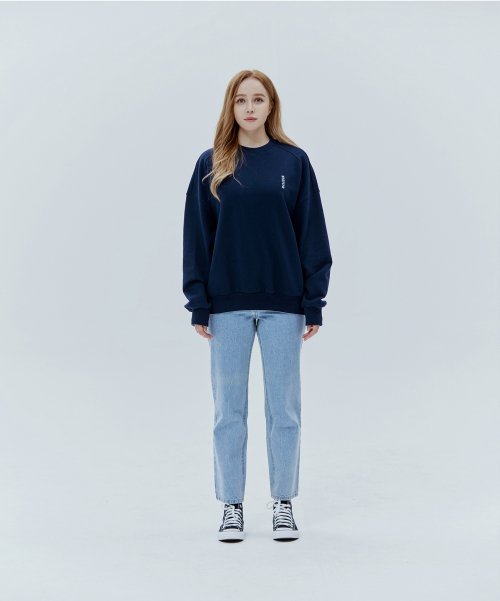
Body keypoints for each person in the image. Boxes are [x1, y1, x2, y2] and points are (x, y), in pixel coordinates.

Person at [182, 69, 333, 543]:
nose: (250, 108)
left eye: (258, 99)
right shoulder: (212, 163)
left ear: (271, 106)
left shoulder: (294, 161)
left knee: (284, 410)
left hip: (283, 304)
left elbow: (312, 232)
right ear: (231, 107)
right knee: (229, 411)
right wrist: (198, 302)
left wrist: (313, 301)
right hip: (226, 305)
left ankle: (283, 502)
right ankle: (232, 506)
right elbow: (196, 237)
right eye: (241, 100)